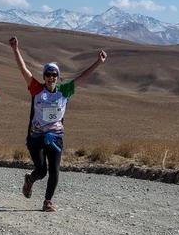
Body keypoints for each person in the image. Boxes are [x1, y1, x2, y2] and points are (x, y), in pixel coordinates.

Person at [8, 36, 107, 212]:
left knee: (54, 169)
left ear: (58, 77)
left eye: (54, 75)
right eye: (48, 74)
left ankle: (47, 201)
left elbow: (83, 77)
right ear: (44, 76)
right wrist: (15, 49)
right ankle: (30, 180)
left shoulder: (65, 91)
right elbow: (23, 70)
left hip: (55, 136)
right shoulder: (36, 89)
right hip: (36, 136)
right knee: (41, 171)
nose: (51, 77)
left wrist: (98, 62)